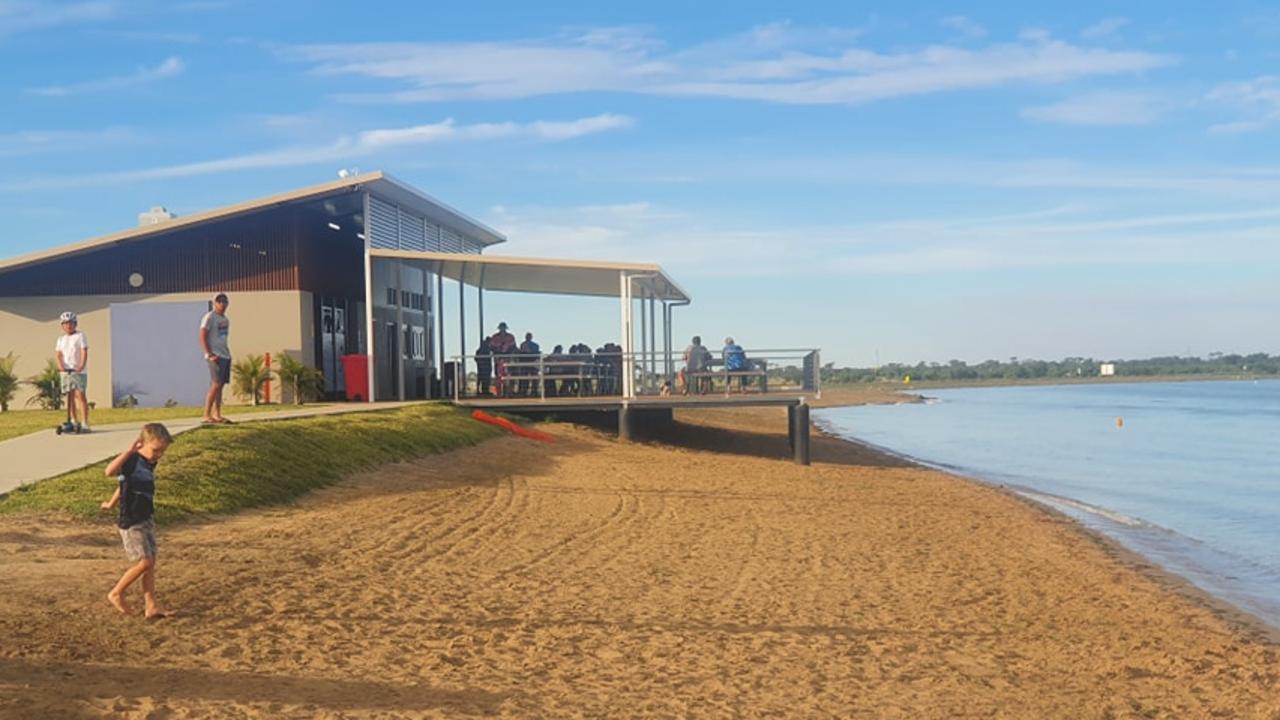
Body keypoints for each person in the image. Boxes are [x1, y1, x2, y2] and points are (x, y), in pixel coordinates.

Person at [100, 423, 175, 620]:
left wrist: (111, 503)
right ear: (142, 443)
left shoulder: (150, 462)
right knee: (145, 561)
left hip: (146, 516)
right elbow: (110, 472)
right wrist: (128, 452)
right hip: (132, 519)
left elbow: (124, 485)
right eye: (156, 450)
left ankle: (151, 606)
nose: (158, 455)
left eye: (162, 452)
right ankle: (116, 592)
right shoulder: (132, 459)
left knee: (151, 563)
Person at [54, 311, 90, 432]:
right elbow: (58, 354)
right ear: (62, 325)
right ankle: (73, 420)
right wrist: (60, 366)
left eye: (71, 323)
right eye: (65, 324)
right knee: (70, 396)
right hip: (65, 371)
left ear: (75, 324)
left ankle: (85, 422)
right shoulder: (61, 339)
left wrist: (81, 365)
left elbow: (84, 351)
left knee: (80, 395)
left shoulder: (80, 336)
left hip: (78, 370)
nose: (68, 326)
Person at [199, 293, 232, 424]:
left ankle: (217, 413)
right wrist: (209, 353)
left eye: (224, 302)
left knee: (221, 385)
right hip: (215, 355)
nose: (222, 304)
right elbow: (202, 335)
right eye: (219, 302)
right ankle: (206, 414)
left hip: (225, 354)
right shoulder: (209, 317)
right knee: (215, 384)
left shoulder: (225, 319)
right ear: (215, 303)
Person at [489, 322, 516, 396]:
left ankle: (506, 392)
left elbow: (513, 347)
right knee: (498, 376)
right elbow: (491, 347)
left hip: (508, 359)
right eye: (501, 328)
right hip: (498, 360)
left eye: (503, 328)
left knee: (507, 376)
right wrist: (497, 354)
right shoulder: (494, 337)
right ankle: (498, 393)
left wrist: (508, 355)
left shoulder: (510, 337)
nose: (502, 330)